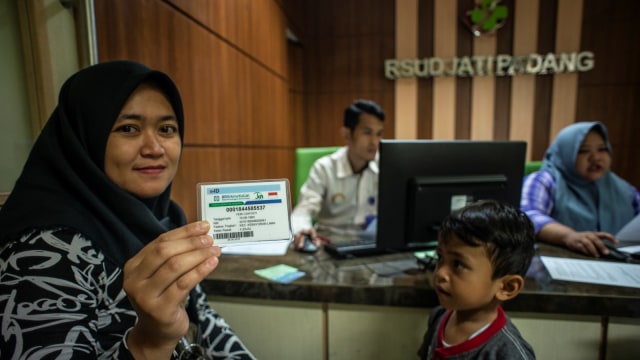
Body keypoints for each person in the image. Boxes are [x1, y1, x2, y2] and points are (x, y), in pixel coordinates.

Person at [0, 61, 256, 359]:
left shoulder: (166, 220)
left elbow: (203, 322)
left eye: (167, 129)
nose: (155, 147)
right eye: (129, 128)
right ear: (85, 138)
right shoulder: (40, 257)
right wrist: (150, 342)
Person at [417, 200, 536, 359]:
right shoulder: (439, 316)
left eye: (458, 264)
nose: (440, 273)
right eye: (440, 257)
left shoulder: (507, 353)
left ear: (506, 287)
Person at [520, 121, 640, 257]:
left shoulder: (622, 188)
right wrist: (568, 236)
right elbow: (527, 216)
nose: (596, 158)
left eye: (602, 149)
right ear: (565, 153)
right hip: (561, 265)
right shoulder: (545, 180)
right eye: (583, 151)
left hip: (619, 265)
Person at [290, 99, 385, 249]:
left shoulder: (385, 166)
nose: (375, 142)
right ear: (347, 134)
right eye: (367, 133)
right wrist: (301, 229)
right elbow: (304, 210)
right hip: (329, 245)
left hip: (371, 247)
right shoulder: (324, 168)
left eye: (379, 134)